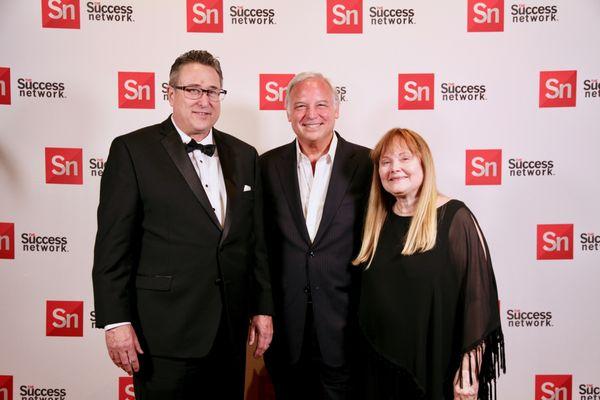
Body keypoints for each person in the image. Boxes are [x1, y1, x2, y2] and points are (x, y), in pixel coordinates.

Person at [92, 50, 273, 400]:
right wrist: (115, 322)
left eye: (213, 91)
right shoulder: (132, 150)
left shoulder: (244, 154)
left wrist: (262, 307)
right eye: (192, 89)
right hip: (163, 331)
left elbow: (256, 242)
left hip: (229, 331)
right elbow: (113, 245)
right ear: (169, 92)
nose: (204, 100)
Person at [353, 128, 505, 400]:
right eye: (385, 162)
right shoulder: (375, 223)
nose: (394, 168)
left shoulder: (455, 218)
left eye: (404, 158)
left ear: (424, 163)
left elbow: (477, 301)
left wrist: (469, 375)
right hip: (376, 372)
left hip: (435, 370)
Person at [260, 72, 372, 400]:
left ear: (337, 110)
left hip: (346, 326)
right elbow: (259, 247)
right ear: (288, 113)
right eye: (301, 106)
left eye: (321, 104)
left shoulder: (369, 164)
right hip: (285, 328)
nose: (311, 114)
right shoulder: (266, 166)